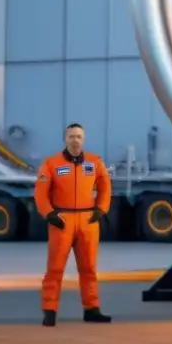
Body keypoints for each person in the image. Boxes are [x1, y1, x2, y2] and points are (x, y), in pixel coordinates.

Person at [33, 122, 113, 327]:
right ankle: (49, 311)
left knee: (89, 268)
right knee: (55, 268)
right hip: (62, 221)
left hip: (88, 219)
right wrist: (49, 214)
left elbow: (105, 185)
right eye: (71, 136)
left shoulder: (95, 162)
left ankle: (92, 309)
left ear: (83, 139)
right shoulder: (51, 164)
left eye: (78, 136)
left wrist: (101, 209)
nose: (75, 140)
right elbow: (40, 192)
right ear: (65, 139)